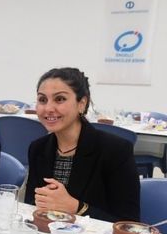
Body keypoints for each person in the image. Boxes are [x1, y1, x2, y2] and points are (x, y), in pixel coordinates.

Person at [24, 67, 139, 222]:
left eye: (60, 99)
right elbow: (31, 205)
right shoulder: (38, 148)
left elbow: (128, 222)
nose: (48, 108)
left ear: (82, 104)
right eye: (42, 100)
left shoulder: (115, 151)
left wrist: (77, 207)